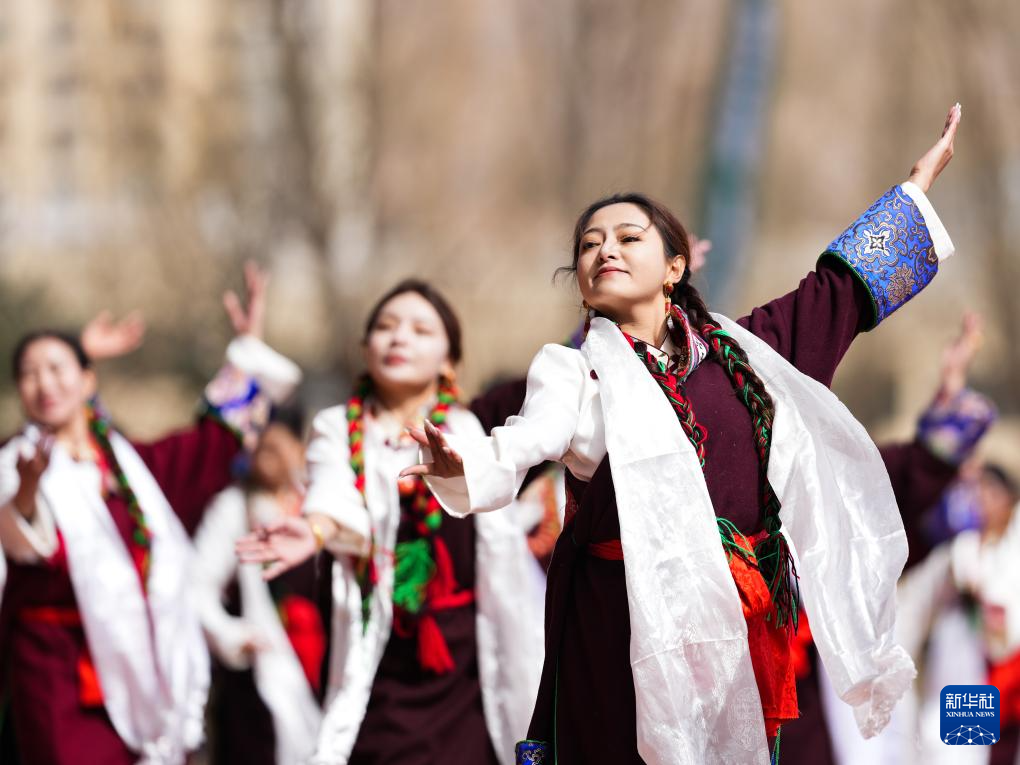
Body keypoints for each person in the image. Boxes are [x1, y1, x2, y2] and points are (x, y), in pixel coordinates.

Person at [402, 105, 963, 764]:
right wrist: (468, 464)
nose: (605, 249)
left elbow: (834, 293)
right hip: (620, 632)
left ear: (674, 267)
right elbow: (530, 438)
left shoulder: (745, 355)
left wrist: (914, 192)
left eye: (627, 237)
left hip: (736, 629)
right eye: (589, 244)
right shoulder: (574, 370)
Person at [0, 263, 300, 764]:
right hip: (57, 674)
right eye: (29, 374)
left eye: (57, 369)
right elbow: (20, 534)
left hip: (145, 661)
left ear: (88, 379)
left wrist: (246, 355)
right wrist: (27, 490)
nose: (44, 383)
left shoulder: (132, 467)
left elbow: (209, 443)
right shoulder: (13, 462)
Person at [237, 280, 543, 765]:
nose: (399, 337)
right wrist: (314, 529)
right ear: (365, 348)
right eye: (385, 326)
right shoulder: (337, 428)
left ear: (449, 360)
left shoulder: (476, 430)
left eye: (421, 330)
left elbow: (562, 375)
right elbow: (333, 494)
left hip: (467, 672)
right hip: (377, 662)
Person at [192, 406, 324, 765]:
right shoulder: (233, 508)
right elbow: (198, 585)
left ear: (299, 451)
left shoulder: (317, 509)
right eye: (262, 446)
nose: (268, 455)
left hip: (317, 664)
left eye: (278, 447)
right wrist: (232, 634)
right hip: (258, 672)